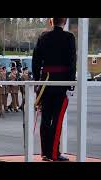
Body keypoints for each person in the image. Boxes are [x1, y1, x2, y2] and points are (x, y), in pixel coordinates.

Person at [32, 18, 76, 161]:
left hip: (45, 81)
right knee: (57, 120)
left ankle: (45, 152)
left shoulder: (43, 37)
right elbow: (71, 62)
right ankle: (54, 153)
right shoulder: (69, 37)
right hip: (61, 82)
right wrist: (70, 84)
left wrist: (37, 81)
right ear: (64, 21)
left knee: (45, 118)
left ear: (51, 22)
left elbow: (36, 61)